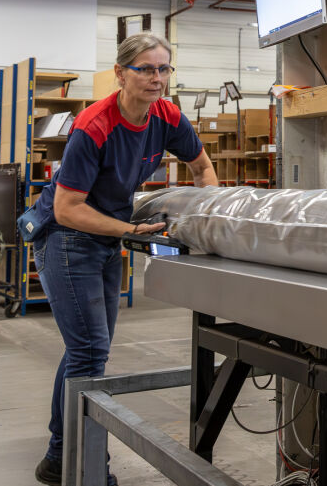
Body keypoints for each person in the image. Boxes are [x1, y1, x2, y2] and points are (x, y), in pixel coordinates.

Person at [33, 32, 219, 485]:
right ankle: (83, 466)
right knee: (90, 351)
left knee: (86, 350)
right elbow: (68, 208)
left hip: (105, 237)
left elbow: (202, 168)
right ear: (120, 73)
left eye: (164, 69)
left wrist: (211, 216)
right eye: (146, 69)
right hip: (66, 237)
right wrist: (131, 230)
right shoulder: (95, 125)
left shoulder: (166, 116)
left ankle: (59, 455)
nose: (157, 79)